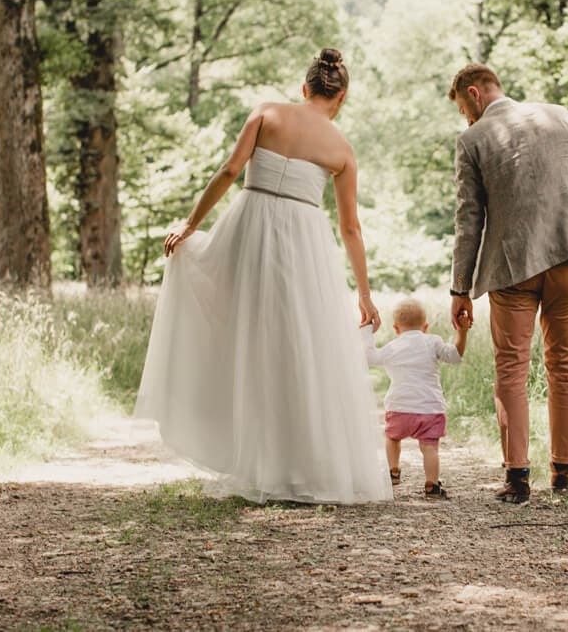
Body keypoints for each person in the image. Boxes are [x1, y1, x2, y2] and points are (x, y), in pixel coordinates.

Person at [135, 49, 392, 505]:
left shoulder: (267, 113)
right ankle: (296, 463)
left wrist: (191, 225)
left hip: (248, 228)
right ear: (342, 96)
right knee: (299, 345)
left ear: (304, 87)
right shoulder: (341, 149)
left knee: (244, 336)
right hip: (302, 243)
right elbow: (350, 228)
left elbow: (230, 171)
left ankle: (254, 455)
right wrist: (365, 294)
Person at [447, 64, 568, 504]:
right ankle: (562, 472)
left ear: (474, 93)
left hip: (511, 267)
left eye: (463, 109)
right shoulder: (560, 116)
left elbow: (469, 219)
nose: (466, 118)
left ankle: (517, 477)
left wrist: (460, 288)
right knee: (565, 365)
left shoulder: (472, 140)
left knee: (511, 369)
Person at [361, 298, 471, 500]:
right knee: (430, 447)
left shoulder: (393, 347)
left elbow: (369, 358)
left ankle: (393, 472)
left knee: (392, 438)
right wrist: (462, 332)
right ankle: (432, 485)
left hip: (399, 407)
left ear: (396, 328)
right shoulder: (433, 342)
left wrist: (367, 332)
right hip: (430, 408)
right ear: (425, 327)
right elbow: (455, 356)